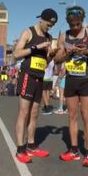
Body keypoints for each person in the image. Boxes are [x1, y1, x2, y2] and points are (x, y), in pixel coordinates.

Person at [54, 6, 88, 168]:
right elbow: (57, 60)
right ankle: (74, 151)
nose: (74, 28)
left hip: (86, 79)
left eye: (77, 24)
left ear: (82, 21)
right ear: (68, 22)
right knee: (72, 116)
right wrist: (67, 52)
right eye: (72, 24)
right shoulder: (64, 36)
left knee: (86, 115)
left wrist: (86, 52)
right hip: (71, 79)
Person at [13, 8, 58, 163]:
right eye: (48, 24)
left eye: (52, 25)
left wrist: (51, 55)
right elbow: (16, 54)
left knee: (34, 113)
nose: (49, 27)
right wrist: (36, 47)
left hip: (40, 76)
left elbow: (46, 62)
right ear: (41, 20)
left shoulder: (49, 37)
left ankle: (31, 145)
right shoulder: (28, 32)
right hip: (27, 75)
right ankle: (20, 149)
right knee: (24, 112)